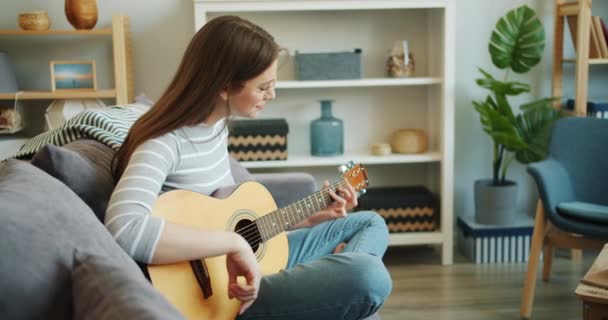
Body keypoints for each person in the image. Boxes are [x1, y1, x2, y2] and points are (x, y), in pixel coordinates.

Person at [106, 15, 392, 320]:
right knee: (369, 275)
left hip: (252, 266)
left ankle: (331, 288)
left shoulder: (215, 128)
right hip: (224, 295)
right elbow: (124, 228)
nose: (272, 95)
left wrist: (310, 219)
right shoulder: (163, 144)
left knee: (371, 223)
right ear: (224, 87)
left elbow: (233, 223)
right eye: (263, 87)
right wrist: (234, 243)